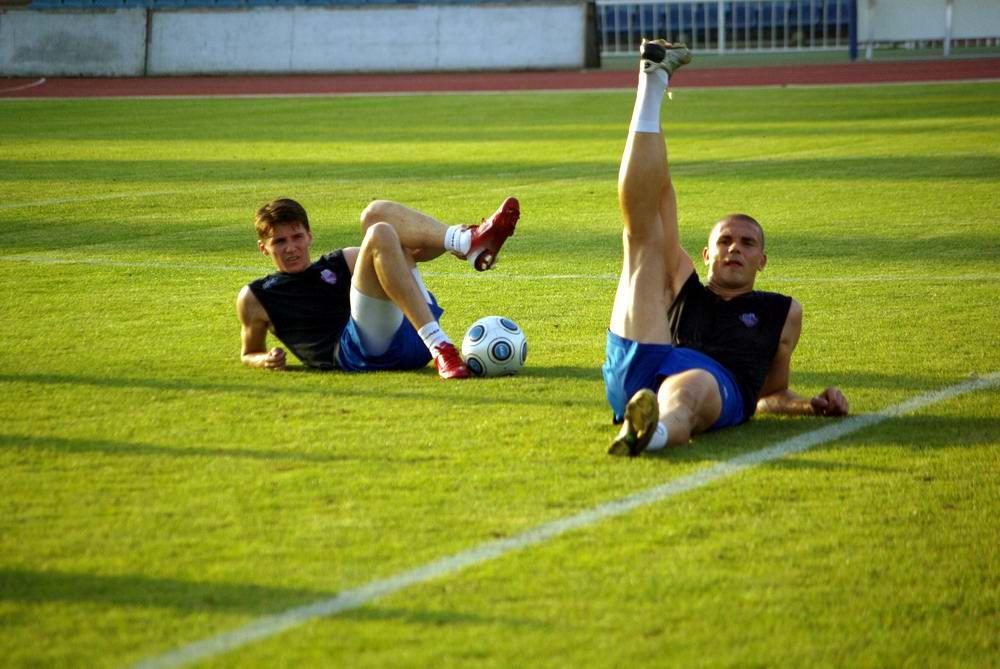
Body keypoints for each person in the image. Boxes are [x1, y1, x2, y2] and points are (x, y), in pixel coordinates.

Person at [604, 40, 848, 457]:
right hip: (645, 361)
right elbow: (660, 191)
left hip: (717, 385)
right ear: (707, 255)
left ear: (762, 261)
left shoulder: (781, 311)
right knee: (641, 238)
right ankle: (651, 81)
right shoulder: (683, 284)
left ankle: (649, 433)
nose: (735, 248)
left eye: (747, 243)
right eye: (724, 241)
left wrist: (810, 405)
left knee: (689, 387)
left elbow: (770, 393)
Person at [237, 196, 519, 379]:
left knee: (375, 214)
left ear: (309, 236)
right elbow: (249, 352)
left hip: (415, 338)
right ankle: (442, 345)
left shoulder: (340, 262)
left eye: (296, 237)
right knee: (380, 233)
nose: (291, 248)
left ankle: (465, 242)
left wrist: (448, 245)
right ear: (264, 248)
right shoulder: (257, 296)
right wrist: (264, 360)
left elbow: (413, 251)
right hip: (358, 353)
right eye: (279, 241)